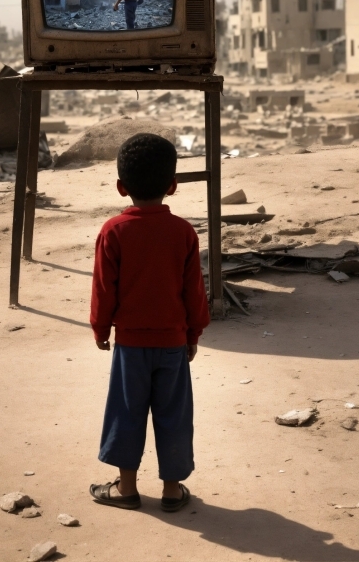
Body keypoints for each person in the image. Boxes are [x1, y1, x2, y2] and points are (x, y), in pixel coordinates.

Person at [89, 133, 210, 512]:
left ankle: (127, 489)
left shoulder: (114, 231)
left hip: (130, 344)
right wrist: (192, 333)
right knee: (173, 412)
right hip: (173, 342)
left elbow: (103, 289)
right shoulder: (184, 232)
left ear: (122, 188)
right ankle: (172, 491)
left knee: (127, 410)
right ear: (172, 185)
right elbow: (194, 292)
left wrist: (100, 327)